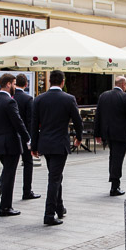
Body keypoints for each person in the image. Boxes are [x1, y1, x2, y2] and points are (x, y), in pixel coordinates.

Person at [30, 70, 83, 225]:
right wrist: (79, 138)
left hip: (45, 144)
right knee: (54, 178)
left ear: (49, 81)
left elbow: (33, 125)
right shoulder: (68, 99)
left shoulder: (39, 100)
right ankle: (49, 214)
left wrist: (34, 145)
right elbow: (78, 121)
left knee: (56, 175)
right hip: (60, 143)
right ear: (62, 82)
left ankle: (59, 208)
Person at [0, 73, 30, 217]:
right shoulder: (10, 102)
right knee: (9, 174)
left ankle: (4, 204)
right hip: (10, 144)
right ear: (8, 84)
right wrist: (28, 139)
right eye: (13, 83)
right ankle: (5, 207)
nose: (14, 86)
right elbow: (18, 123)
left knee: (6, 172)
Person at [95, 76, 126, 195]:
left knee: (113, 157)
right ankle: (115, 186)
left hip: (108, 133)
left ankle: (113, 181)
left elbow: (98, 116)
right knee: (118, 159)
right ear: (123, 85)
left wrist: (97, 133)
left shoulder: (103, 96)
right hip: (121, 133)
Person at [13, 74, 39, 201]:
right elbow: (30, 121)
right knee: (28, 162)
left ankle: (1, 184)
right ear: (26, 84)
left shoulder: (10, 97)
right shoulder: (28, 99)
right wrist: (32, 139)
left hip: (11, 135)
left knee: (10, 164)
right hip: (24, 136)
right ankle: (27, 190)